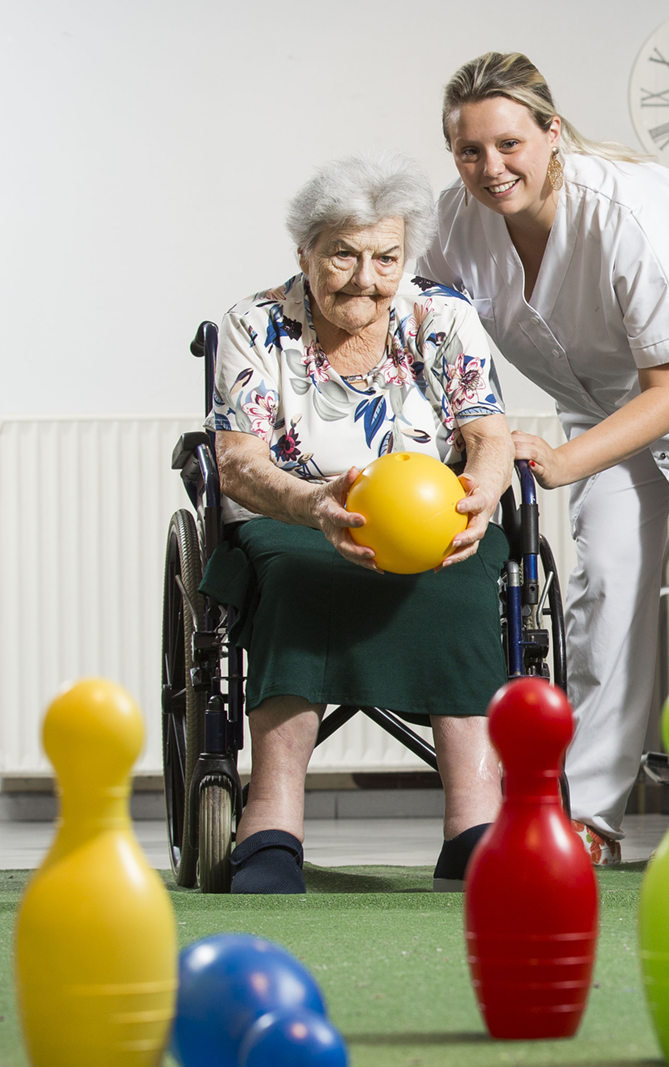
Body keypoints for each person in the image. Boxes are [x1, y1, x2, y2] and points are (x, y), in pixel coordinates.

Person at [418, 52, 669, 864]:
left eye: (509, 144)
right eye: (470, 150)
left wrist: (565, 462)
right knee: (605, 579)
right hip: (608, 391)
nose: (491, 167)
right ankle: (591, 817)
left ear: (552, 132)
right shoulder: (458, 220)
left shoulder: (630, 211)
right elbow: (414, 319)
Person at [200, 155, 515, 894]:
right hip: (296, 515)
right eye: (343, 254)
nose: (365, 278)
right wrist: (314, 505)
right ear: (304, 252)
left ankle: (474, 823)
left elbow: (490, 436)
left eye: (386, 258)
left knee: (464, 577)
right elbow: (238, 463)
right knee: (293, 579)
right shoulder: (256, 324)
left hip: (432, 517)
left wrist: (480, 497)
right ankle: (272, 820)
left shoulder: (441, 317)